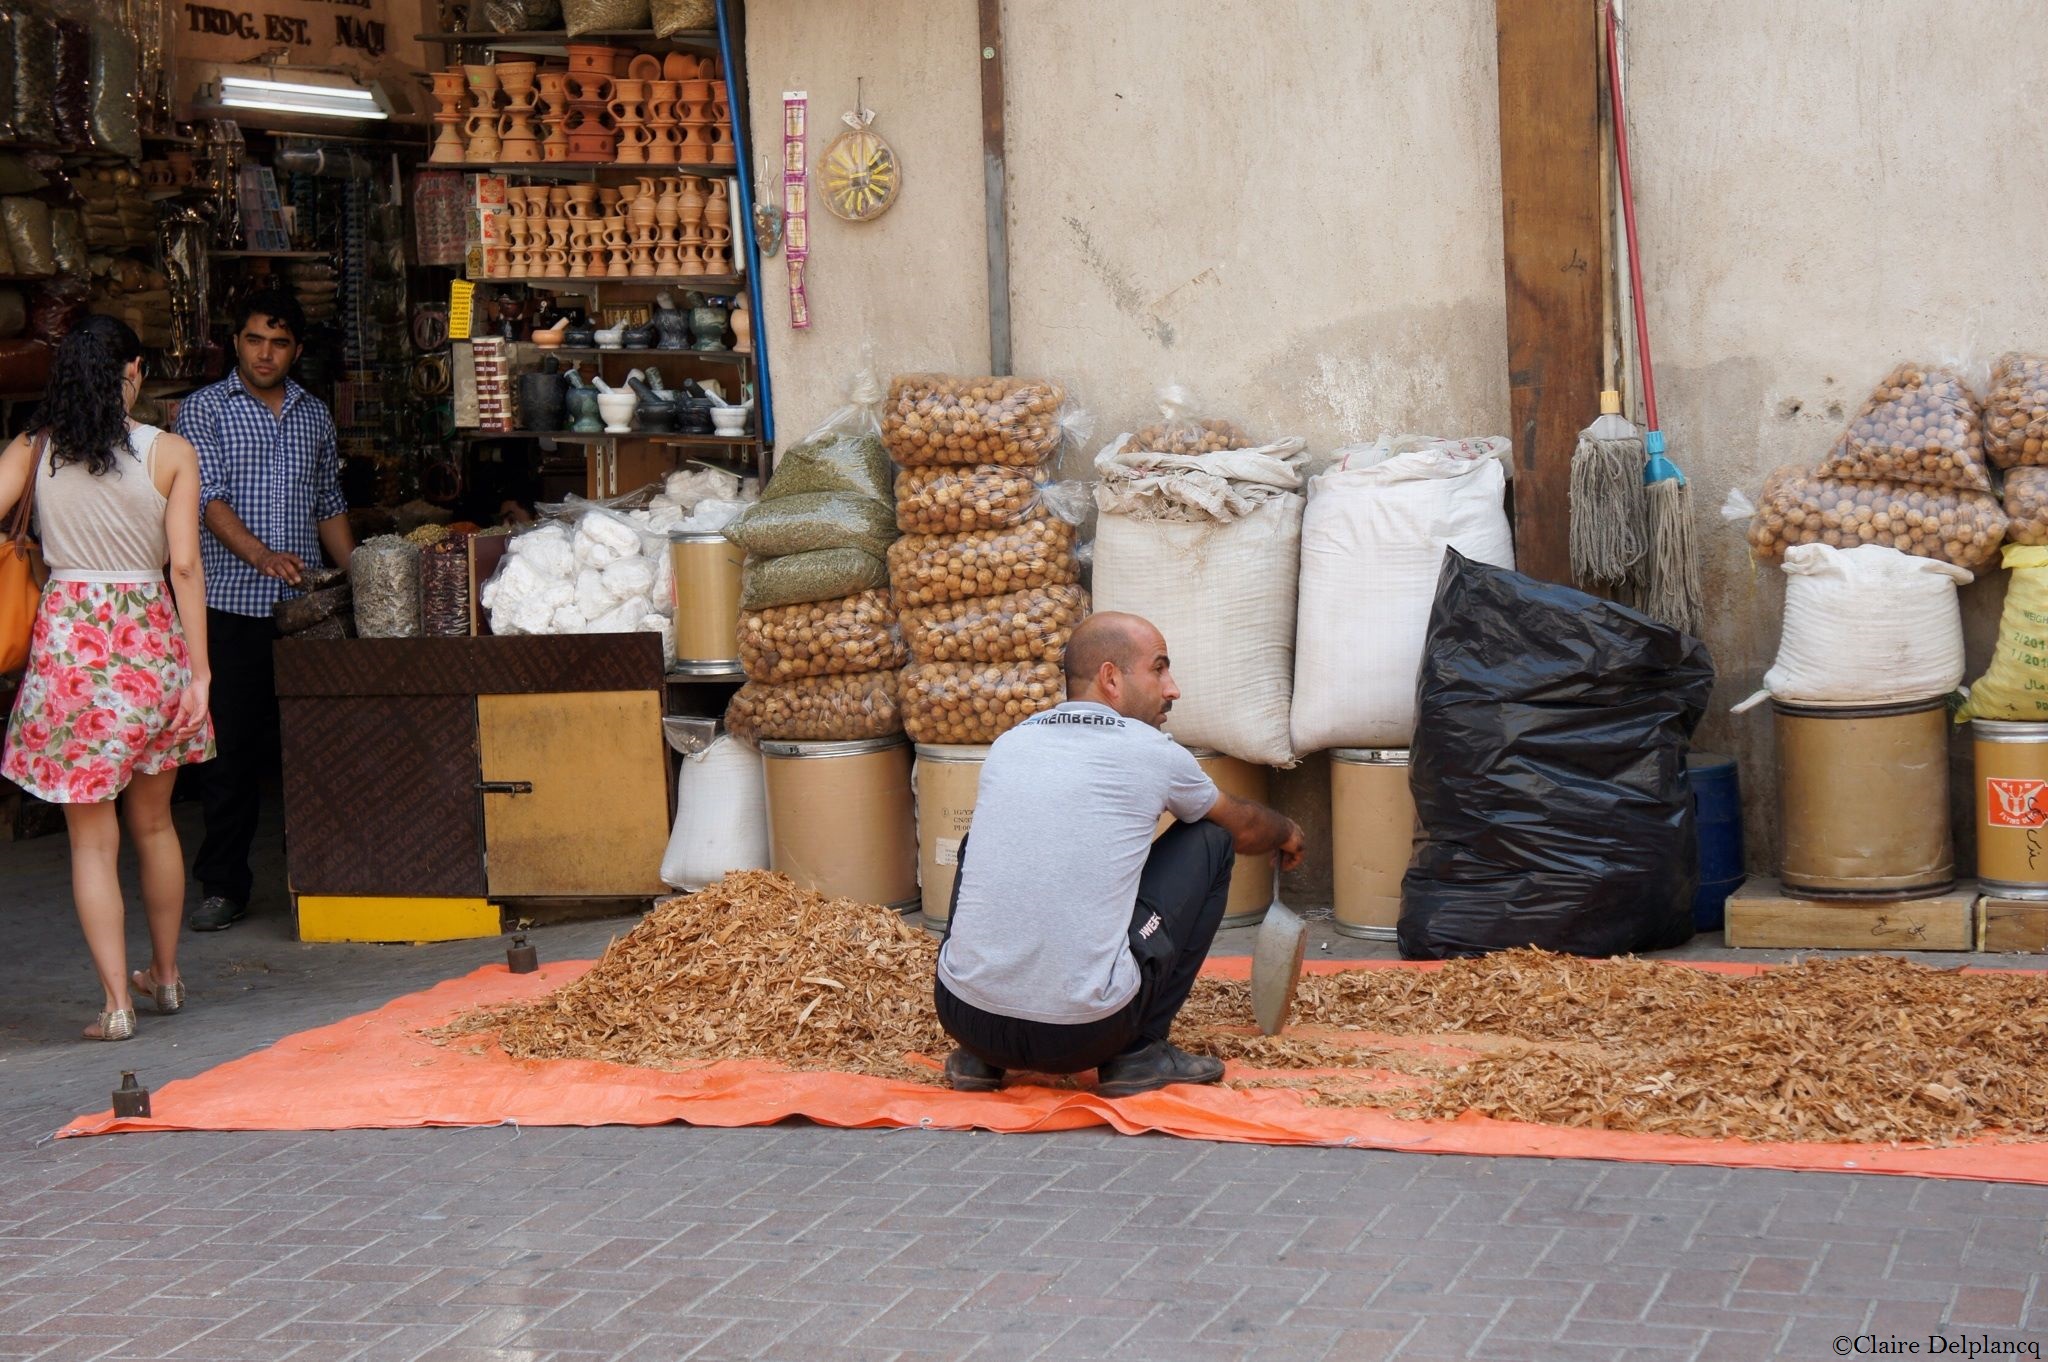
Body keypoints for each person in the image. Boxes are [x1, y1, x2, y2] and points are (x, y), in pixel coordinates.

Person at [933, 612, 1306, 1096]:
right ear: (1111, 678)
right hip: (1084, 1033)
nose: (1172, 689)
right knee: (1211, 838)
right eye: (1159, 669)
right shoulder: (1152, 752)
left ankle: (980, 1062)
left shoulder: (1011, 744)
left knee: (979, 842)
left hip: (965, 1016)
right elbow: (1245, 826)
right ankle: (1140, 1052)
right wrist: (1287, 831)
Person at [0, 316, 215, 1041]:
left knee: (92, 843)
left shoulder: (35, 449)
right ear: (135, 372)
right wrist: (201, 673)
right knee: (154, 824)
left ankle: (116, 1007)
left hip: (71, 651)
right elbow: (185, 566)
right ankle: (167, 976)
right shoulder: (170, 453)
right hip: (151, 645)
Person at [175, 289, 354, 932]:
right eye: (255, 340)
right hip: (230, 607)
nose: (265, 353)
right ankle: (224, 886)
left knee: (314, 746)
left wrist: (361, 577)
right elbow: (207, 501)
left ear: (296, 351)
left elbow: (328, 502)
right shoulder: (203, 412)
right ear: (236, 343)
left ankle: (324, 880)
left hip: (306, 614)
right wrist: (261, 555)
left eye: (279, 343)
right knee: (231, 757)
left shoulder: (313, 416)